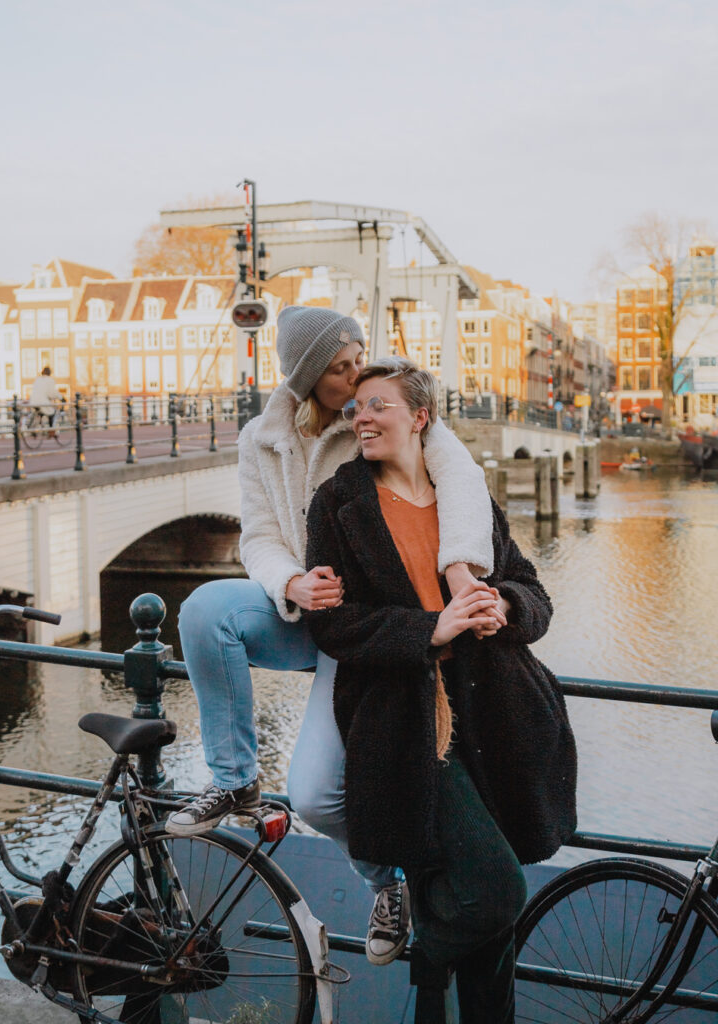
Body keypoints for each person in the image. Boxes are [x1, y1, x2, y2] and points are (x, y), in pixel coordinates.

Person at [167, 306, 495, 966]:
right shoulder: (263, 437)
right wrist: (291, 583)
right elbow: (258, 536)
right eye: (340, 367)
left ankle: (385, 878)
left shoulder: (380, 409)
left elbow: (462, 478)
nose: (355, 375)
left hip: (362, 632)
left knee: (316, 794)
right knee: (204, 610)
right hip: (303, 615)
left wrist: (461, 568)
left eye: (357, 358)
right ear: (310, 377)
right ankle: (235, 781)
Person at [304, 358, 577, 1023]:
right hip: (413, 720)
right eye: (355, 409)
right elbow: (334, 625)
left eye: (377, 406)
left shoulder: (466, 497)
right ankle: (430, 955)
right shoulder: (339, 503)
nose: (360, 418)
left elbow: (533, 593)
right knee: (494, 892)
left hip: (499, 714)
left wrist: (501, 608)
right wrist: (430, 629)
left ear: (419, 417)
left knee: (488, 923)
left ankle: (447, 995)